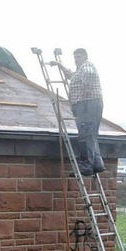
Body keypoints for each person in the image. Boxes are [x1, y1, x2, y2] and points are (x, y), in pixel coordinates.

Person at [49, 48, 104, 176]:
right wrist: (59, 65)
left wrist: (84, 93)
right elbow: (71, 75)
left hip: (88, 104)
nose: (76, 60)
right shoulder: (80, 70)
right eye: (75, 57)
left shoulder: (87, 67)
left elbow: (89, 75)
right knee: (90, 135)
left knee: (85, 136)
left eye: (78, 57)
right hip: (89, 104)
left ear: (85, 56)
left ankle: (86, 167)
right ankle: (97, 163)